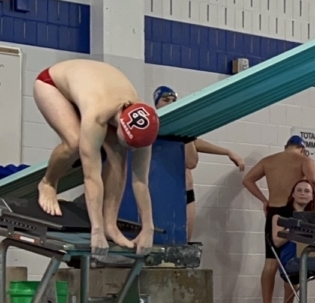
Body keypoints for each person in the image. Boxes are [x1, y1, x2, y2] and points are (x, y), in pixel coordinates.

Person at [34, 59, 160, 254]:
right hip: (52, 84)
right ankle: (48, 183)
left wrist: (148, 228)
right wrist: (96, 231)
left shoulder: (145, 123)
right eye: (130, 144)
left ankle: (111, 225)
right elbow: (92, 178)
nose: (134, 150)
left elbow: (140, 181)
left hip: (92, 86)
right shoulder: (97, 117)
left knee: (119, 156)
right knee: (74, 143)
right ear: (121, 128)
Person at [153, 86, 245, 241]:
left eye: (173, 100)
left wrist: (227, 152)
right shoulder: (153, 129)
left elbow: (193, 152)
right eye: (165, 100)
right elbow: (191, 161)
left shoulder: (182, 131)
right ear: (156, 104)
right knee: (162, 240)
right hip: (163, 193)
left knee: (185, 240)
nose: (170, 103)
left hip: (186, 192)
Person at [242, 136, 315, 303]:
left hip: (273, 211)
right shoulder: (304, 160)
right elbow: (312, 182)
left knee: (270, 262)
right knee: (296, 259)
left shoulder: (268, 160)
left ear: (286, 147)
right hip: (294, 212)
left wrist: (264, 200)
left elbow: (247, 180)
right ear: (302, 148)